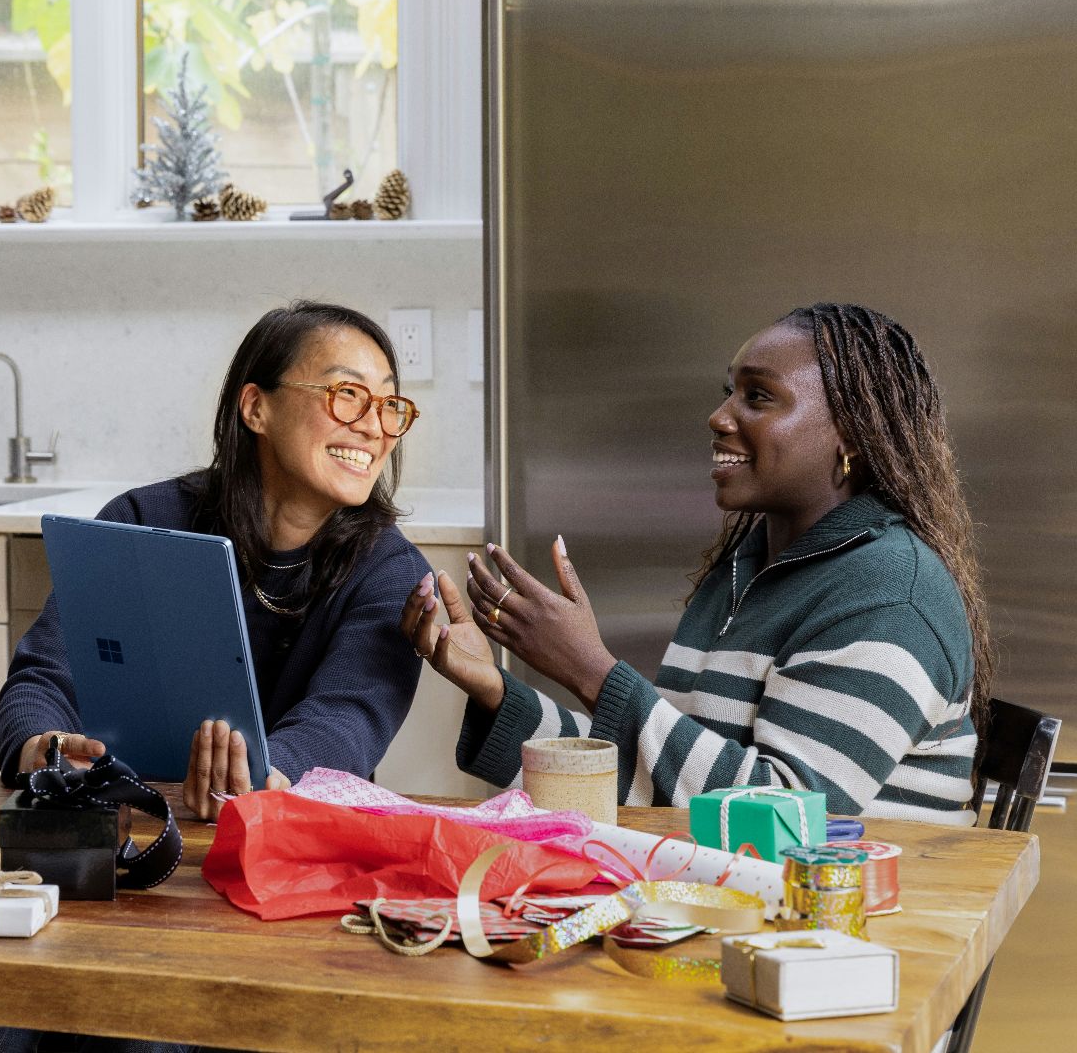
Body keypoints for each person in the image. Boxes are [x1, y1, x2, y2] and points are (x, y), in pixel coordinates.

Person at [0, 303, 430, 1053]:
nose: (373, 426)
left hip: (273, 882)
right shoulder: (141, 520)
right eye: (347, 395)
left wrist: (262, 776)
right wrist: (43, 747)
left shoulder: (391, 571)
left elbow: (346, 723)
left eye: (388, 406)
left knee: (147, 1038)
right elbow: (42, 675)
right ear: (255, 406)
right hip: (111, 857)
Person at [402, 303, 988, 824]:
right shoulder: (747, 569)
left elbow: (790, 820)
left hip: (857, 908)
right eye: (729, 391)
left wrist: (590, 669)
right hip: (739, 892)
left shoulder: (889, 593)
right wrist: (495, 692)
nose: (719, 416)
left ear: (852, 435)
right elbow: (670, 780)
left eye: (757, 396)